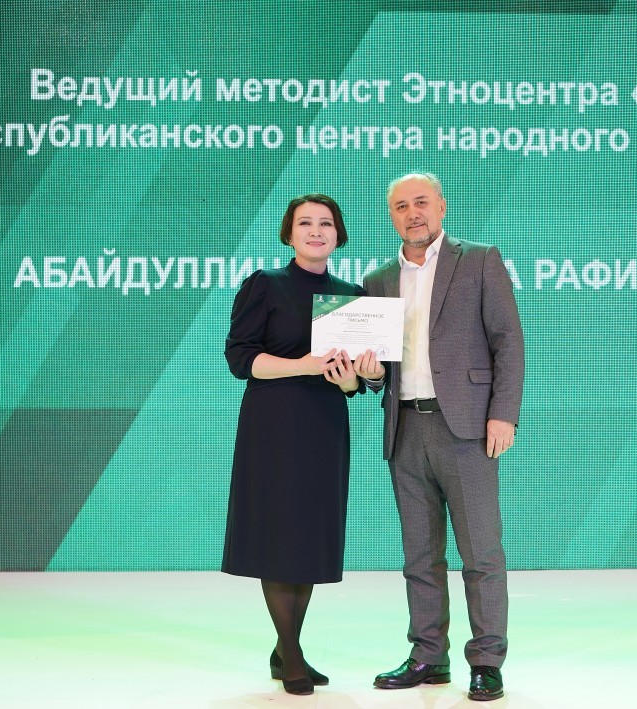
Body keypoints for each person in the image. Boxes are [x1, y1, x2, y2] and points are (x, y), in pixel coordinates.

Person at [358, 172, 524, 701]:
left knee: (481, 552)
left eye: (422, 202)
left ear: (442, 206)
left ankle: (487, 660)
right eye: (401, 206)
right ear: (392, 216)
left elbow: (508, 342)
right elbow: (376, 367)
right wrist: (369, 373)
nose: (413, 213)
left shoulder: (478, 260)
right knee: (419, 555)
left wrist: (503, 415)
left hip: (468, 428)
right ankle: (429, 655)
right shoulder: (378, 280)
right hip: (405, 427)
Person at [223, 193, 383, 696]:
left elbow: (359, 381)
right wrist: (304, 365)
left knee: (309, 536)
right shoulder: (265, 284)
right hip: (273, 423)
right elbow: (241, 359)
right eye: (305, 223)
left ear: (339, 234)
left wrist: (354, 380)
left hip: (324, 424)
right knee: (277, 534)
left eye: (326, 223)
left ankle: (284, 647)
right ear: (289, 233)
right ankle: (292, 655)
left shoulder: (352, 295)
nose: (316, 231)